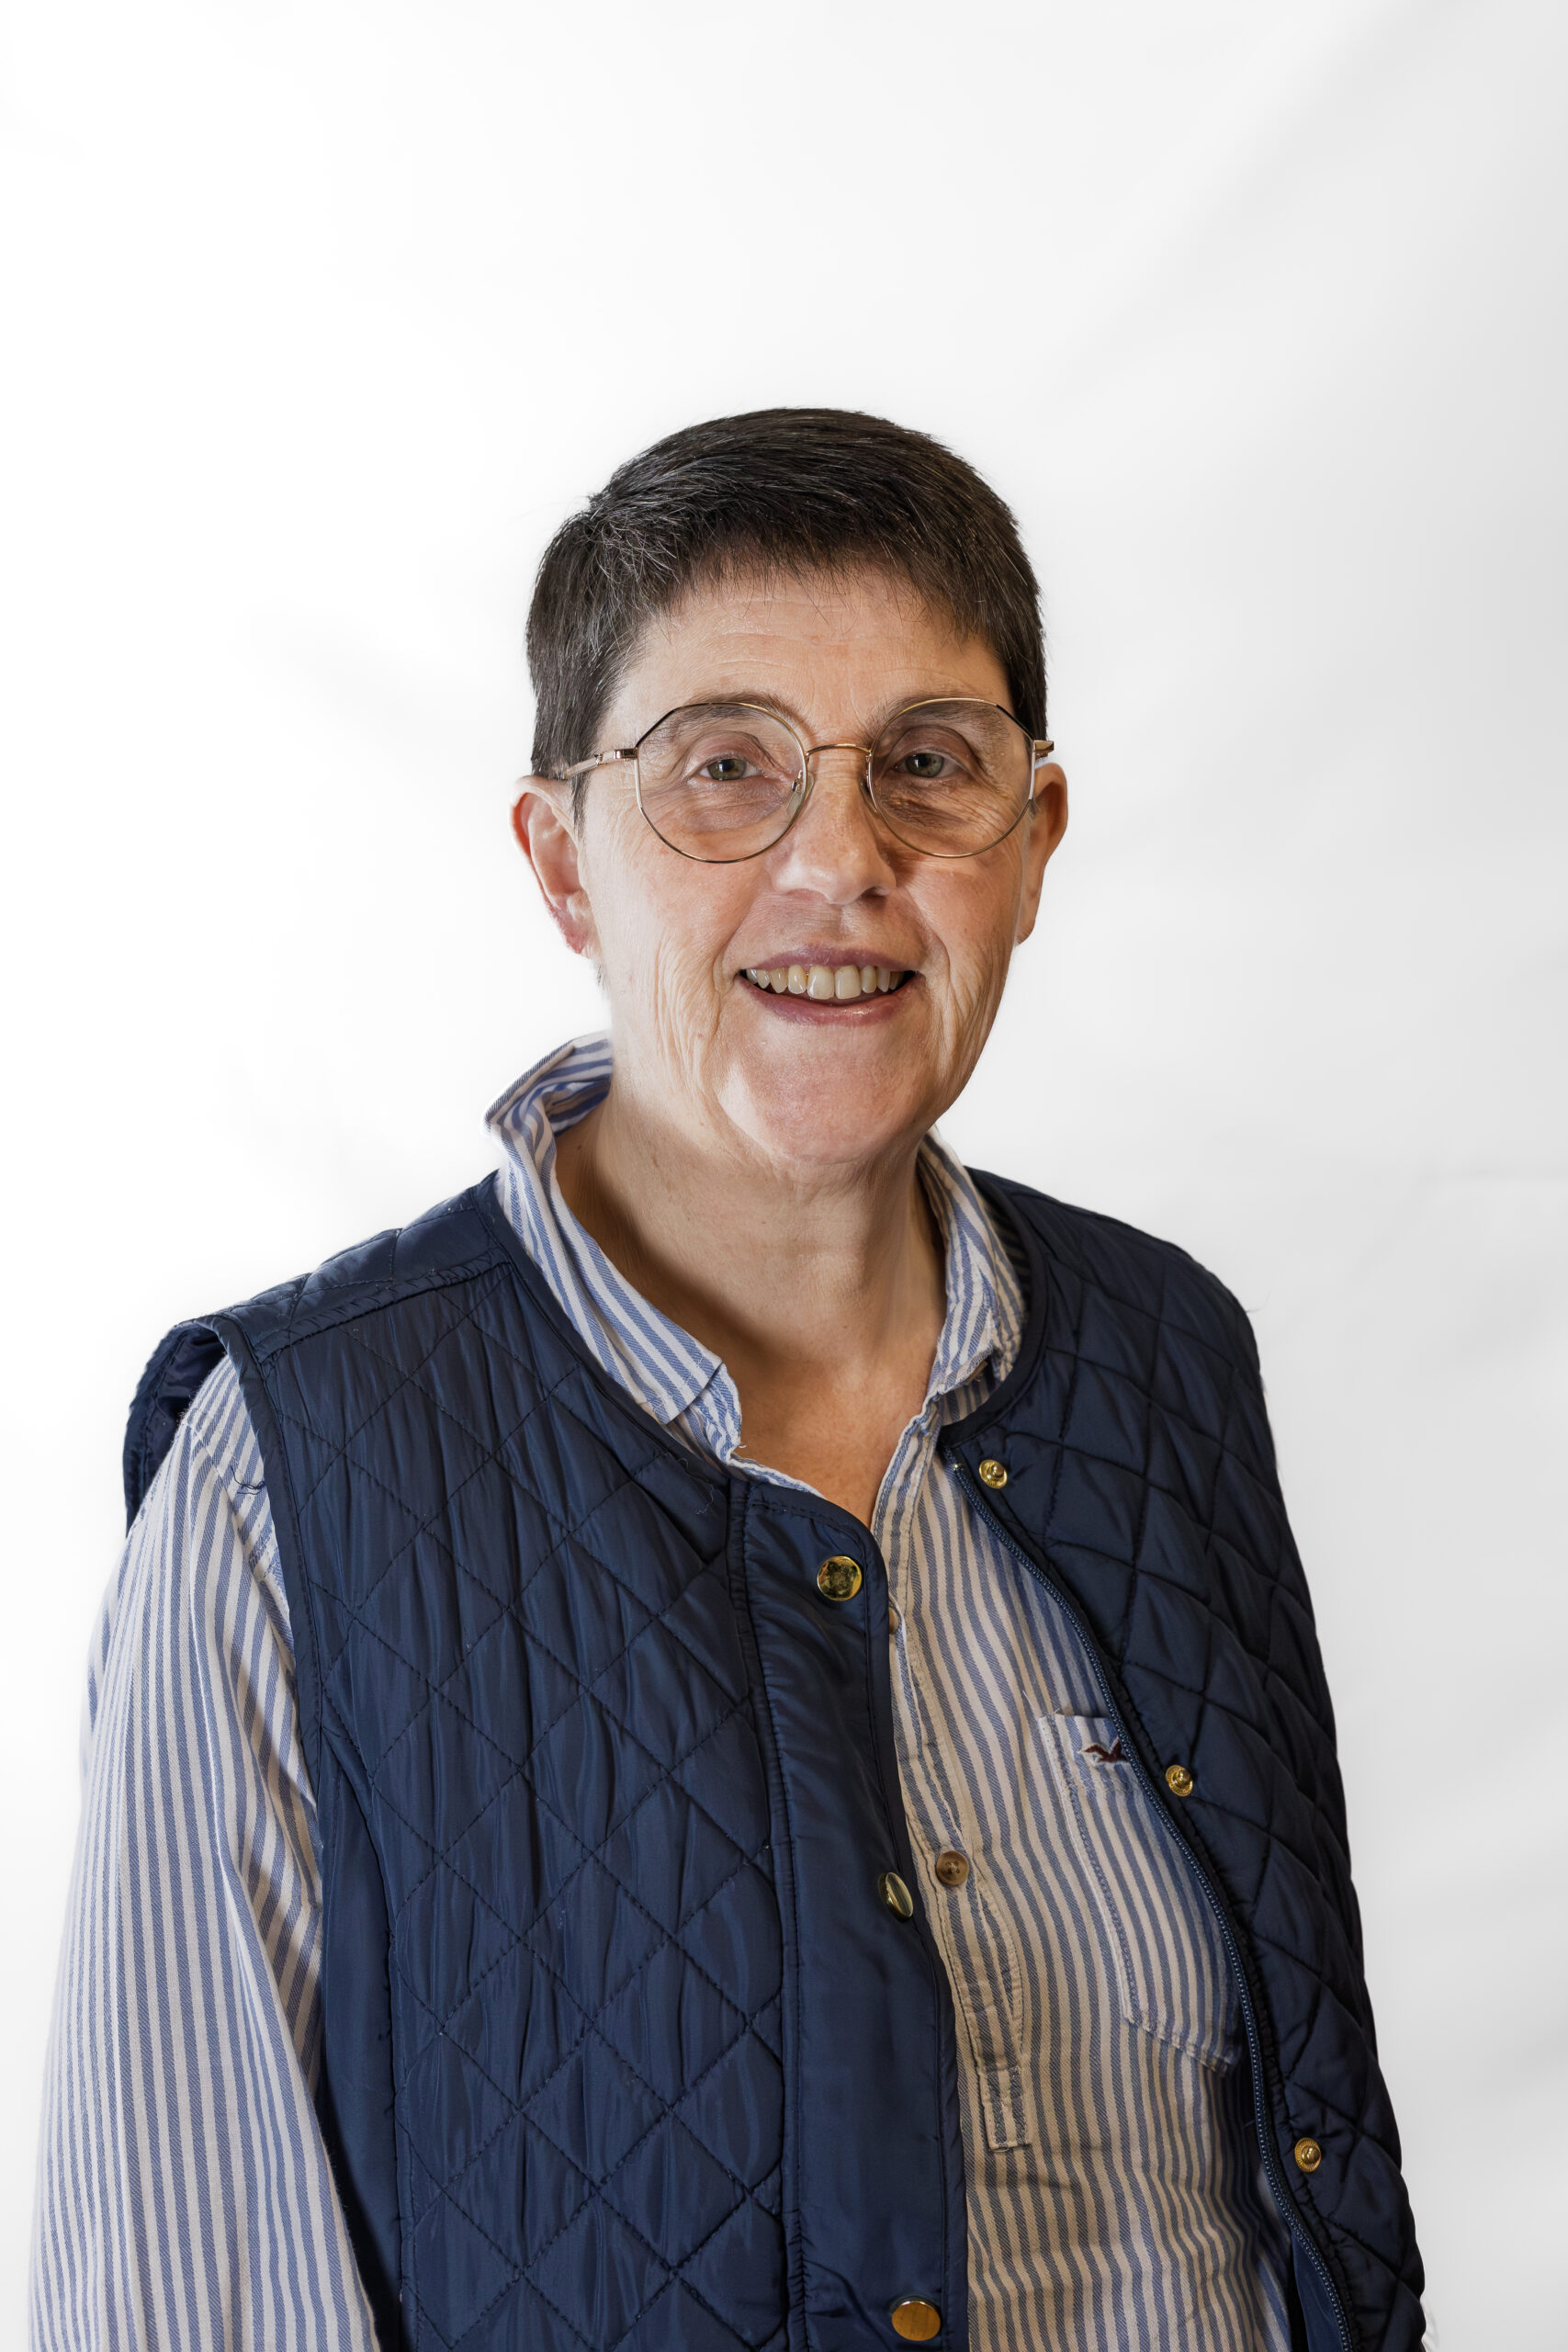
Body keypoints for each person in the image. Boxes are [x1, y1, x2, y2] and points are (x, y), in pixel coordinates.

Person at [31, 409, 1427, 2352]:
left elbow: (1291, 2170)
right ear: (563, 864)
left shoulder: (1163, 1352)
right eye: (722, 768)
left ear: (1029, 846)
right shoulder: (291, 1468)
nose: (839, 861)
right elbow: (182, 2299)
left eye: (924, 766)